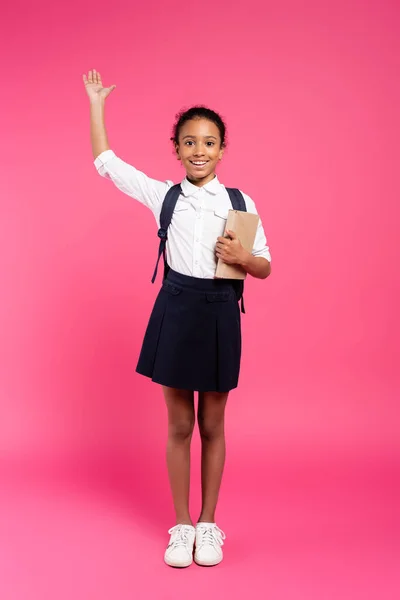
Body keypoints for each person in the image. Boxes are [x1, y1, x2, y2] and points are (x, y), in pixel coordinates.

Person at [83, 69, 272, 568]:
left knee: (213, 423)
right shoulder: (164, 196)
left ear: (222, 149)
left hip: (219, 315)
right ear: (177, 148)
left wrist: (243, 256)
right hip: (174, 308)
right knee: (179, 425)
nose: (199, 150)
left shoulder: (240, 203)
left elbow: (266, 266)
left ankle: (209, 525)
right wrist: (96, 104)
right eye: (189, 141)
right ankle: (181, 525)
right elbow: (106, 163)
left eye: (209, 142)